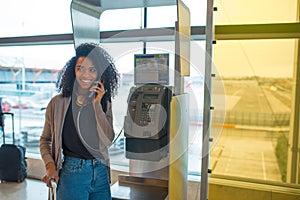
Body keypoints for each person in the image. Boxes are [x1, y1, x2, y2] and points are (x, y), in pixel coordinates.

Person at [40, 43, 118, 200]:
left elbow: (107, 140)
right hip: (72, 172)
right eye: (80, 68)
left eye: (92, 70)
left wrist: (97, 105)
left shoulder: (103, 102)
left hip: (101, 171)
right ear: (73, 70)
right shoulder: (58, 103)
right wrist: (50, 166)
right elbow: (45, 140)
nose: (85, 75)